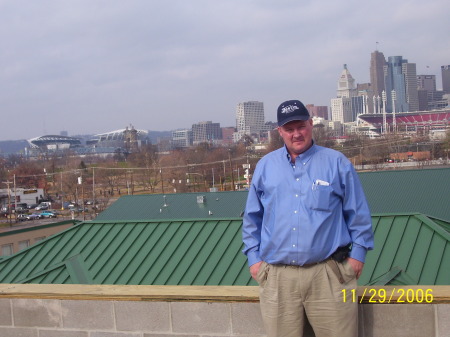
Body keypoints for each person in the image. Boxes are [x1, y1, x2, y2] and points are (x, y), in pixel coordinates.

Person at [242, 99, 374, 337]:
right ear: (279, 131)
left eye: (301, 126)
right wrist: (254, 259)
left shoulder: (336, 163)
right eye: (289, 129)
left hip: (328, 275)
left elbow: (358, 212)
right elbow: (252, 218)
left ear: (311, 124)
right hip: (278, 278)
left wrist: (358, 255)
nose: (296, 134)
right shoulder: (265, 166)